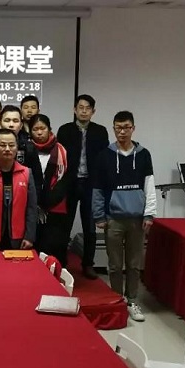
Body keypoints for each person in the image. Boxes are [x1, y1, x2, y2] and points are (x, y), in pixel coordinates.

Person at [92, 111, 156, 323]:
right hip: (113, 218)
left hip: (137, 219)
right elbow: (98, 189)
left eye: (126, 127)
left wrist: (149, 214)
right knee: (115, 265)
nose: (122, 132)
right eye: (118, 128)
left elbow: (149, 186)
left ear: (133, 129)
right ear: (113, 129)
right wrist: (99, 216)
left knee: (134, 263)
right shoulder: (104, 156)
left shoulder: (144, 155)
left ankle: (132, 300)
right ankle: (117, 300)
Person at [57, 94, 109, 280]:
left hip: (91, 184)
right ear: (75, 109)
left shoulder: (100, 132)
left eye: (88, 108)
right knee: (65, 226)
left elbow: (104, 160)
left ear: (93, 111)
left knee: (90, 228)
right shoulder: (65, 130)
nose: (84, 111)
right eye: (81, 107)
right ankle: (62, 262)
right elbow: (60, 158)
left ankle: (88, 264)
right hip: (70, 183)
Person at [28, 114, 71, 267]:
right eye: (35, 129)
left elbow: (65, 178)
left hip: (56, 204)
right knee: (36, 247)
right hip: (32, 204)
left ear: (49, 129)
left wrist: (48, 201)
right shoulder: (26, 149)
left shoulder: (61, 150)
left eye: (43, 128)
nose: (39, 132)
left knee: (55, 247)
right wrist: (37, 203)